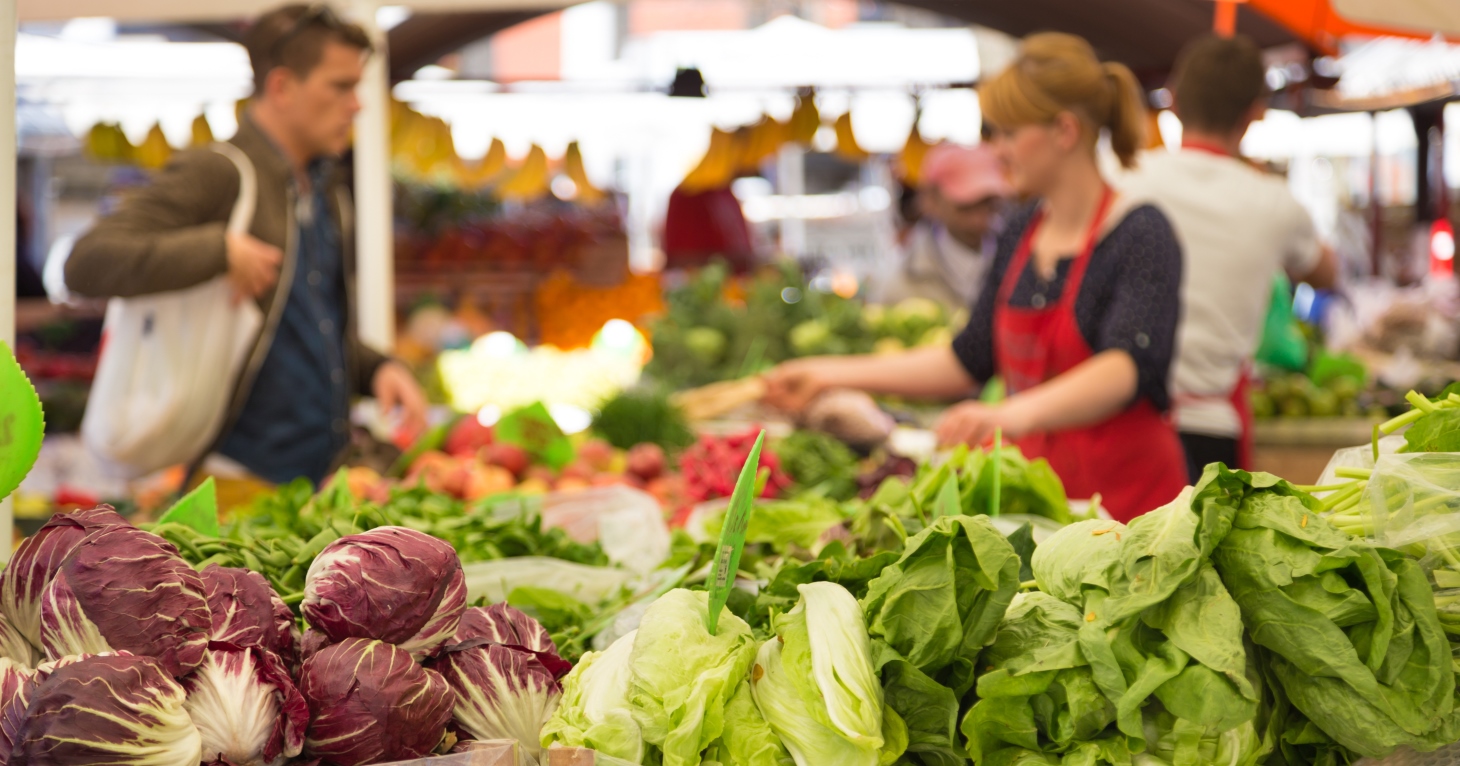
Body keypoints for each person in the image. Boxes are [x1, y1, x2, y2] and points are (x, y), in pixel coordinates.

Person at [764, 33, 1187, 521]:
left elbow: (1126, 367)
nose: (997, 150)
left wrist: (1007, 415)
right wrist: (825, 373)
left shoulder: (1140, 231)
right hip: (1039, 503)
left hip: (1132, 507)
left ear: (1064, 131)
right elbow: (969, 358)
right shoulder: (1021, 233)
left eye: (1007, 133)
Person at [66, 3, 428, 486]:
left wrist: (377, 367)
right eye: (341, 86)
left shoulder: (327, 194)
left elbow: (306, 328)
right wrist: (219, 250)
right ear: (281, 86)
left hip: (320, 484)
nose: (358, 104)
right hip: (235, 484)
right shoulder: (219, 173)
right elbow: (87, 261)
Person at [1118, 34, 1337, 482]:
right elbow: (1328, 271)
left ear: (1173, 102)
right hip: (1211, 433)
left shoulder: (1124, 176)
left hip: (1122, 420)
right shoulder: (1275, 203)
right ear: (1255, 113)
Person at [871, 143, 1010, 309]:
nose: (978, 218)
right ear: (931, 200)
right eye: (965, 206)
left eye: (987, 203)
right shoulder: (901, 283)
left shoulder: (1021, 258)